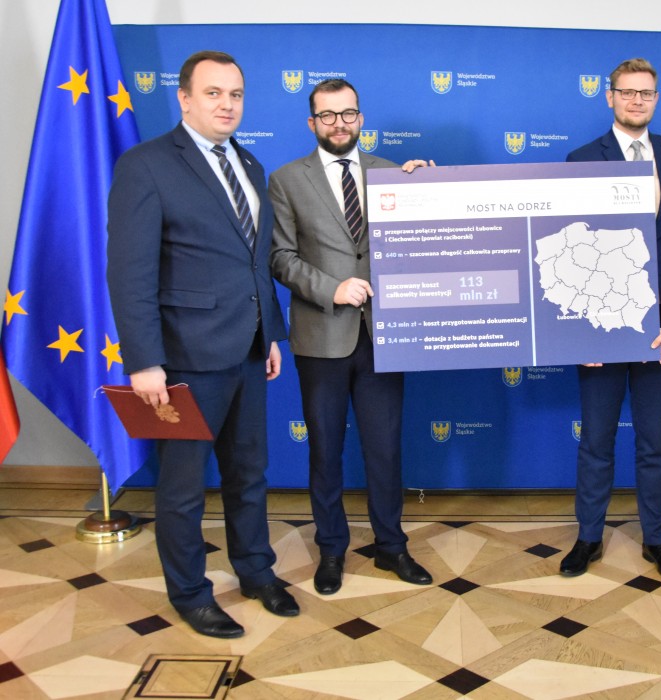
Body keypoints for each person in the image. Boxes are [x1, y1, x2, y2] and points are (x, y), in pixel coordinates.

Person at [107, 51, 296, 639]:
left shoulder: (250, 163)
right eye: (213, 93)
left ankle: (256, 571)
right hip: (183, 358)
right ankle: (190, 593)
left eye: (235, 94)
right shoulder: (147, 165)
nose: (227, 104)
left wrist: (270, 333)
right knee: (184, 488)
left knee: (249, 473)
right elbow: (129, 273)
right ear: (184, 98)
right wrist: (144, 361)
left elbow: (254, 262)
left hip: (248, 350)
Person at [269, 79, 433, 595]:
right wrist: (332, 289)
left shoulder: (392, 173)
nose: (338, 123)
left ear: (360, 118)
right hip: (322, 336)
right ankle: (331, 549)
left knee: (385, 449)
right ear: (312, 122)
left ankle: (391, 546)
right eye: (327, 115)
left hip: (385, 335)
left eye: (348, 114)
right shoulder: (286, 180)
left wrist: (428, 188)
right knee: (325, 450)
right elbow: (280, 257)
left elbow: (426, 238)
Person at [560, 57, 661, 580]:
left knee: (655, 443)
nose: (636, 100)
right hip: (600, 330)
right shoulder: (582, 159)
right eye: (627, 92)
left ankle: (658, 540)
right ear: (610, 97)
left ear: (656, 99)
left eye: (646, 93)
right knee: (596, 440)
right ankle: (588, 537)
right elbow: (567, 247)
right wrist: (580, 332)